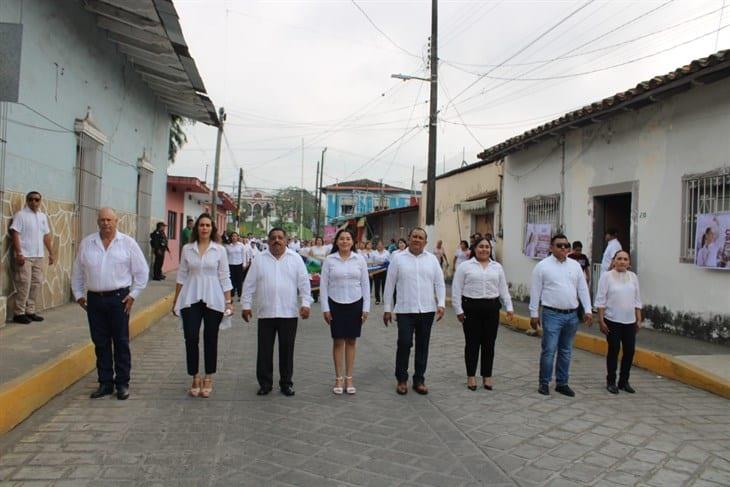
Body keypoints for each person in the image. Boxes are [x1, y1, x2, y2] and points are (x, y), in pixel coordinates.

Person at [71, 208, 148, 400]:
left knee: (121, 342)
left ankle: (122, 383)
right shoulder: (87, 243)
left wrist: (133, 295)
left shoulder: (128, 244)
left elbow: (142, 272)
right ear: (97, 222)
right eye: (102, 220)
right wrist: (79, 295)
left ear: (116, 221)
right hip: (95, 300)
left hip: (119, 299)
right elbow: (78, 272)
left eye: (109, 220)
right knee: (100, 342)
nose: (106, 223)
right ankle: (105, 382)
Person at [242, 228, 311, 397]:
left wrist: (306, 303)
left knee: (287, 350)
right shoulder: (260, 259)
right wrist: (246, 305)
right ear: (268, 240)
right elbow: (249, 284)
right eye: (273, 238)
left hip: (288, 313)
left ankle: (286, 383)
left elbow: (303, 283)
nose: (277, 240)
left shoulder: (295, 259)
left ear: (286, 240)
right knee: (264, 350)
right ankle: (265, 383)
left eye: (280, 237)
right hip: (266, 313)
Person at [173, 214, 233, 398]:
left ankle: (208, 376)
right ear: (196, 228)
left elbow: (224, 276)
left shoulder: (219, 250)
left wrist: (228, 301)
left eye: (207, 225)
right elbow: (181, 275)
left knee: (210, 337)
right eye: (201, 225)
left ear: (212, 228)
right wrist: (176, 300)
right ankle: (195, 376)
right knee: (190, 336)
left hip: (213, 297)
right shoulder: (187, 249)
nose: (204, 228)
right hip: (190, 297)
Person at [383, 227, 446, 395]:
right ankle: (401, 379)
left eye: (421, 238)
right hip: (405, 309)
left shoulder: (432, 260)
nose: (417, 240)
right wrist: (387, 309)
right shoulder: (398, 259)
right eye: (414, 237)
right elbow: (389, 285)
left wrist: (441, 304)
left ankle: (419, 379)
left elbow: (439, 283)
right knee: (404, 343)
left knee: (423, 345)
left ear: (425, 242)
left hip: (427, 310)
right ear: (409, 239)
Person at [530, 234, 592, 397]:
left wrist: (588, 310)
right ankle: (544, 383)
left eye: (566, 245)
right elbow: (535, 291)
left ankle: (562, 383)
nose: (563, 248)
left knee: (566, 351)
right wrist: (533, 313)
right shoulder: (542, 266)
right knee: (549, 350)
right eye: (559, 245)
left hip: (571, 315)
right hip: (552, 314)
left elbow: (583, 289)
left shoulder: (575, 266)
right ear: (551, 248)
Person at [452, 237, 514, 391]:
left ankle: (487, 376)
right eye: (481, 246)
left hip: (492, 308)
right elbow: (456, 289)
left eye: (487, 247)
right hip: (471, 308)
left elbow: (503, 289)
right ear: (475, 248)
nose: (484, 249)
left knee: (489, 344)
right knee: (472, 344)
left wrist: (510, 307)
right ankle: (471, 376)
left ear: (490, 249)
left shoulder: (497, 267)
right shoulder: (465, 266)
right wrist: (458, 310)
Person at [320, 229, 370, 395]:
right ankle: (338, 378)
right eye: (341, 239)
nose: (345, 242)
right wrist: (325, 308)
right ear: (337, 242)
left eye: (348, 239)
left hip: (355, 303)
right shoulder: (329, 260)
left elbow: (365, 285)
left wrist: (366, 308)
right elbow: (323, 286)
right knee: (338, 341)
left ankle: (349, 377)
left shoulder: (359, 259)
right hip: (335, 303)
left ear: (352, 242)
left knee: (351, 341)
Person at [595, 250, 642, 394]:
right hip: (612, 320)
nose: (622, 262)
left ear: (629, 263)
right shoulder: (606, 277)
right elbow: (601, 299)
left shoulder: (633, 277)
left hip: (629, 321)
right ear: (614, 261)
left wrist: (639, 318)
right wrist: (601, 320)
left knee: (629, 351)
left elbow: (637, 299)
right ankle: (611, 381)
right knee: (614, 349)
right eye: (619, 259)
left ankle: (624, 381)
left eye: (625, 259)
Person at [9, 191, 55, 324]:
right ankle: (19, 313)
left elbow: (46, 236)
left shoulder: (42, 217)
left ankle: (30, 311)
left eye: (36, 200)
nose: (33, 202)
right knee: (24, 283)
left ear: (40, 201)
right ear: (27, 201)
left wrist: (51, 253)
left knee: (36, 283)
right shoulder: (21, 215)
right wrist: (19, 253)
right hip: (25, 256)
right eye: (31, 199)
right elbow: (15, 234)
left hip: (39, 256)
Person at [225, 232, 246, 301]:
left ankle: (240, 295)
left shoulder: (241, 245)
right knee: (231, 280)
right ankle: (231, 295)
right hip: (230, 265)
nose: (234, 237)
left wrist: (244, 264)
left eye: (235, 236)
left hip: (239, 265)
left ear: (238, 237)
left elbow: (243, 255)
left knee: (239, 281)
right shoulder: (228, 246)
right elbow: (225, 256)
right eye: (233, 236)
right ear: (231, 237)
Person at [370, 240, 390, 305]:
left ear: (383, 245)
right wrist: (372, 272)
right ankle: (377, 299)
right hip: (376, 270)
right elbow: (372, 263)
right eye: (378, 245)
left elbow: (389, 262)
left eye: (381, 244)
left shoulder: (387, 252)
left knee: (385, 285)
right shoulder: (373, 253)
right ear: (376, 246)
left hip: (384, 270)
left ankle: (384, 299)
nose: (380, 246)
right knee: (377, 285)